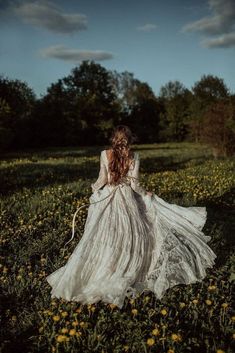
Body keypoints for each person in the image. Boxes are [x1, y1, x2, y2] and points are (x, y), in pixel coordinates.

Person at [46, 125, 217, 309]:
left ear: (114, 138)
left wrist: (94, 189)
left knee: (105, 234)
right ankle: (122, 267)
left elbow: (102, 179)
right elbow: (135, 185)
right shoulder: (134, 156)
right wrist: (145, 194)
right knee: (129, 233)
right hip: (126, 198)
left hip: (109, 197)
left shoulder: (105, 154)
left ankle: (106, 266)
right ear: (129, 139)